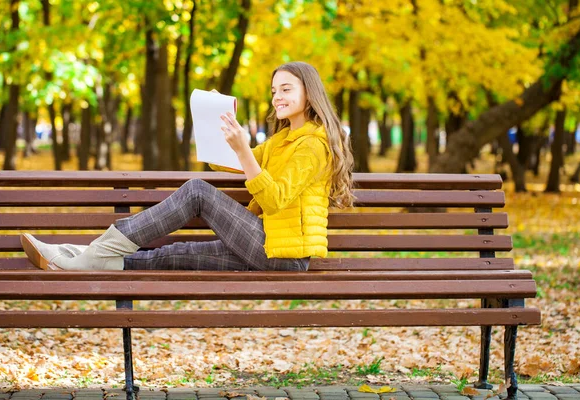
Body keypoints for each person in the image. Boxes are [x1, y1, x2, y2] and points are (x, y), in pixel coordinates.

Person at [21, 61, 355, 272]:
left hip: (283, 255)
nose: (277, 97)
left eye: (286, 89)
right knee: (178, 252)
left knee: (197, 191)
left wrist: (243, 149)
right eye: (273, 91)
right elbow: (227, 162)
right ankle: (88, 261)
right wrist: (214, 117)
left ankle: (98, 251)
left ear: (308, 94)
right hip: (266, 246)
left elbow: (274, 199)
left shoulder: (312, 144)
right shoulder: (284, 140)